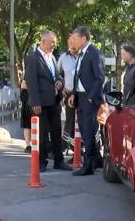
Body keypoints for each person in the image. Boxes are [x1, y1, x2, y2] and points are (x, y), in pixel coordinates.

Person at [24, 30, 70, 172]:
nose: (54, 45)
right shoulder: (33, 58)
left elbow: (56, 76)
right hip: (41, 103)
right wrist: (36, 102)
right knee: (42, 134)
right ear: (43, 42)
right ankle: (41, 162)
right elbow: (31, 82)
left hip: (54, 101)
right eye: (52, 43)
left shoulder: (52, 58)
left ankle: (59, 161)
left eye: (55, 43)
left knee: (56, 132)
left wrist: (60, 82)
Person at [69, 26, 106, 176]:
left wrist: (91, 97)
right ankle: (96, 160)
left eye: (75, 39)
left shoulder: (94, 53)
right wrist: (74, 94)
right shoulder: (81, 54)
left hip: (89, 98)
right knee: (85, 130)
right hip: (81, 96)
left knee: (88, 131)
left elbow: (100, 77)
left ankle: (88, 165)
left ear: (84, 38)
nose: (73, 41)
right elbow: (78, 77)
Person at [57, 34, 79, 139]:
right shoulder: (63, 58)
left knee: (82, 121)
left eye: (74, 42)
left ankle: (82, 149)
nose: (72, 44)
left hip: (83, 93)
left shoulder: (85, 56)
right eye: (70, 42)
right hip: (69, 93)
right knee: (69, 121)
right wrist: (62, 86)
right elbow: (57, 75)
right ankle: (67, 145)